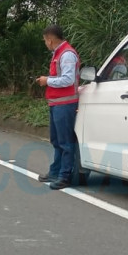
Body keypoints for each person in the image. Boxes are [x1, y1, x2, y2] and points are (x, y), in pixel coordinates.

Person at [36, 24, 80, 190]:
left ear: (50, 39)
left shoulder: (67, 54)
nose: (45, 43)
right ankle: (55, 171)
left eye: (45, 40)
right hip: (56, 103)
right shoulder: (58, 53)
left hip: (65, 104)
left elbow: (68, 79)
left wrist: (47, 81)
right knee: (56, 140)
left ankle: (64, 176)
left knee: (65, 142)